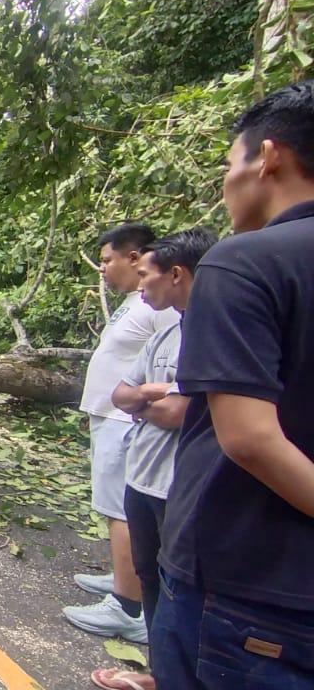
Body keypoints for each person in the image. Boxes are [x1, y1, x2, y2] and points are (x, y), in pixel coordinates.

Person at [152, 81, 314, 688]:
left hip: (240, 589)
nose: (226, 183)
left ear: (268, 157)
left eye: (229, 163)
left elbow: (248, 438)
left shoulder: (245, 262)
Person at [89, 228, 216, 690]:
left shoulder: (206, 331)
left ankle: (179, 675)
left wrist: (142, 401)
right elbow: (124, 390)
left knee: (179, 586)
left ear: (177, 274)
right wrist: (146, 395)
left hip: (176, 482)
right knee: (153, 578)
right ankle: (161, 674)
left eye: (148, 276)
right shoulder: (169, 331)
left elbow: (181, 410)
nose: (142, 286)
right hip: (143, 476)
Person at [65, 223, 178, 644]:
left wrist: (145, 400)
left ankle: (128, 607)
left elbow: (172, 362)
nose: (104, 269)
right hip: (112, 415)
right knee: (113, 504)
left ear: (135, 258)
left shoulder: (157, 305)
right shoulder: (136, 303)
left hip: (125, 420)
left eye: (109, 259)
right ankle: (123, 577)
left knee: (122, 509)